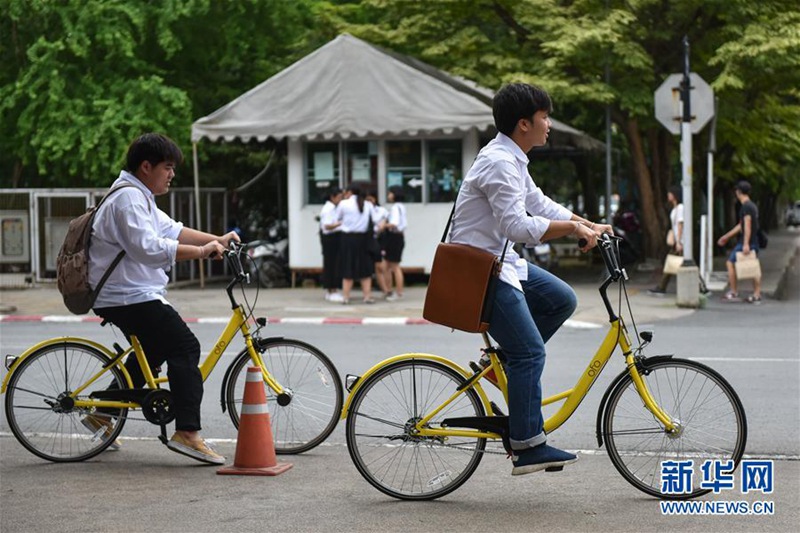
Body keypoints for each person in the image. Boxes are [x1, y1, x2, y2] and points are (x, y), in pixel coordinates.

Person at [449, 83, 610, 475]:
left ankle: (502, 361)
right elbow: (517, 225)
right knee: (532, 352)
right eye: (544, 118)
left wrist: (587, 223)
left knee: (561, 299)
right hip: (479, 270)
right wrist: (573, 232)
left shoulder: (513, 158)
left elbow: (538, 204)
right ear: (524, 123)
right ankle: (526, 445)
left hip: (501, 263)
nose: (549, 124)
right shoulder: (500, 163)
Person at [87, 133, 239, 465]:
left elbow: (172, 231)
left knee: (154, 349)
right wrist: (202, 252)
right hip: (126, 296)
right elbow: (148, 249)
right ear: (146, 167)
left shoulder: (138, 196)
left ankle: (101, 415)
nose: (172, 174)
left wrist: (219, 240)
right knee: (185, 347)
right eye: (168, 167)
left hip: (133, 294)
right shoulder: (127, 200)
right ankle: (187, 432)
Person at [717, 180, 762, 303]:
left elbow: (746, 225)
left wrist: (746, 243)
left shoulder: (746, 207)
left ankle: (733, 291)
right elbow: (741, 225)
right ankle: (757, 293)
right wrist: (726, 237)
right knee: (753, 267)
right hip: (752, 241)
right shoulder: (751, 206)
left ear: (738, 192)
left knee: (730, 263)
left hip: (746, 242)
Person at [336, 182, 376, 304]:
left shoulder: (343, 203)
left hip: (347, 239)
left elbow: (338, 218)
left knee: (348, 266)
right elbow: (374, 220)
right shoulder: (368, 204)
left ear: (350, 191)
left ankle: (346, 297)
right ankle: (367, 296)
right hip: (363, 239)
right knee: (365, 267)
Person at [649, 186, 684, 295]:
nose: (668, 195)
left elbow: (680, 225)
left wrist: (678, 241)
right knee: (671, 263)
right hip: (678, 242)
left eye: (670, 193)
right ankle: (661, 287)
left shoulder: (681, 208)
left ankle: (661, 287)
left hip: (681, 242)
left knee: (683, 264)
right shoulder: (676, 208)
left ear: (675, 195)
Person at [319, 186, 344, 302]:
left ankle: (331, 290)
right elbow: (327, 225)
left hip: (332, 238)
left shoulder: (333, 207)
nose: (340, 199)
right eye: (339, 197)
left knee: (333, 264)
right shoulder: (328, 208)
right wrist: (340, 223)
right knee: (332, 265)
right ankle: (332, 290)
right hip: (330, 238)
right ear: (332, 197)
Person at [365, 190, 392, 298]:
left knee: (382, 266)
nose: (369, 202)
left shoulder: (381, 210)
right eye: (367, 200)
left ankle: (388, 289)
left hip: (381, 239)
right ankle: (384, 290)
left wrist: (383, 223)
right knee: (376, 267)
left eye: (371, 199)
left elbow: (386, 221)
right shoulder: (363, 210)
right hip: (369, 239)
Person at [383, 185, 407, 301]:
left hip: (394, 237)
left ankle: (398, 292)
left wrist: (383, 225)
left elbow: (394, 223)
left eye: (390, 193)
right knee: (388, 265)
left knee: (394, 266)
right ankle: (389, 290)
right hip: (398, 237)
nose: (389, 195)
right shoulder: (401, 207)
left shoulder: (395, 208)